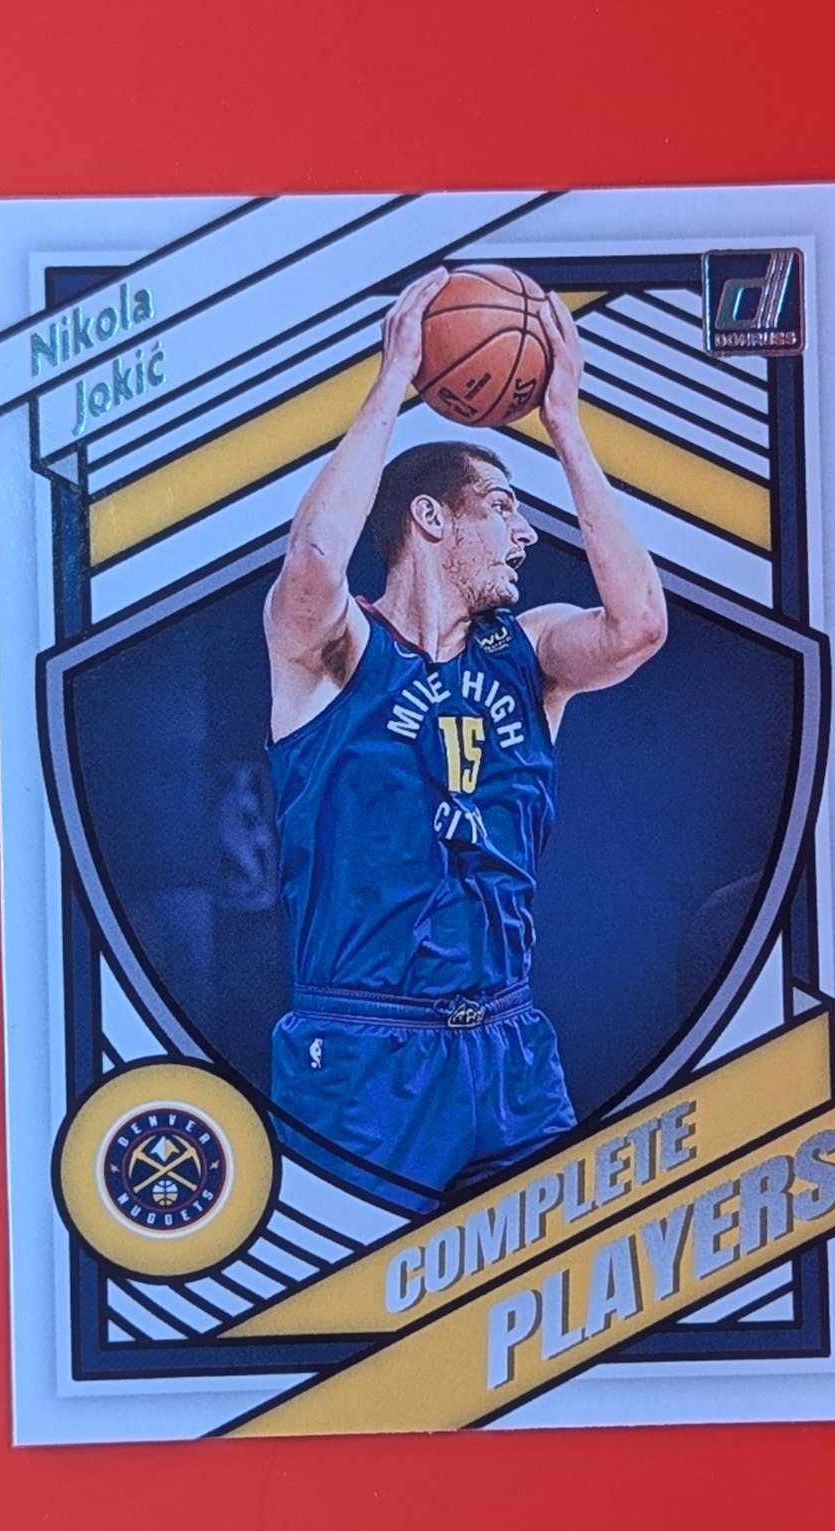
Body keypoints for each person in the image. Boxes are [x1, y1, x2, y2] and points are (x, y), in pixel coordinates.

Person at [263, 267, 668, 1211]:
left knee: (544, 1292)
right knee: (366, 1297)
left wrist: (566, 425)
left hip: (510, 1048)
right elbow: (316, 557)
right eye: (502, 508)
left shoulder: (530, 652)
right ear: (431, 518)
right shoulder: (331, 654)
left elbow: (640, 624)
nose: (527, 535)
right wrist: (392, 382)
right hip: (363, 1050)